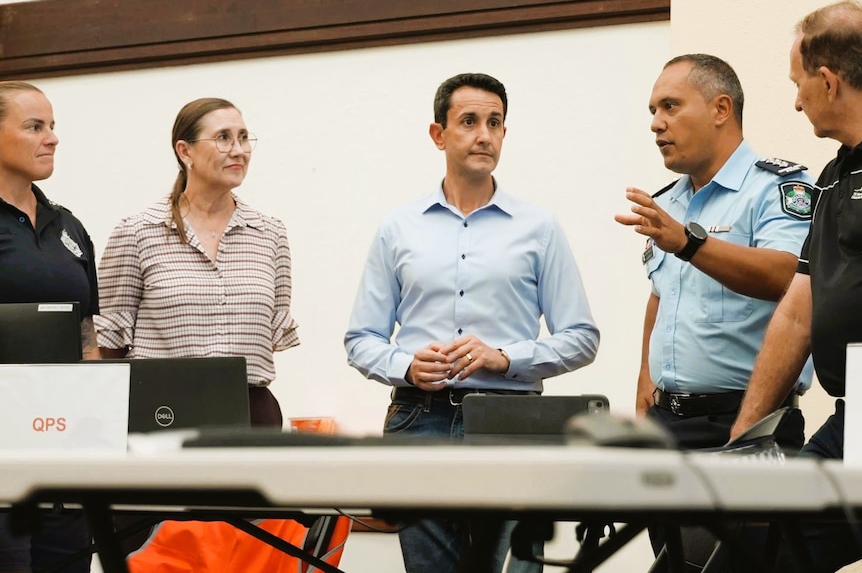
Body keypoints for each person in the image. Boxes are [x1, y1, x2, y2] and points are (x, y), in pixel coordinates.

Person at [344, 72, 600, 573]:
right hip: (420, 419)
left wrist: (506, 359)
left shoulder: (539, 228)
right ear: (438, 134)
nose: (485, 134)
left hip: (514, 423)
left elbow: (583, 337)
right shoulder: (399, 228)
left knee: (517, 568)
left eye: (495, 122)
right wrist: (405, 366)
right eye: (469, 122)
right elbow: (361, 339)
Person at [613, 55, 815, 572]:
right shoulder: (668, 202)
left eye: (671, 106)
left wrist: (688, 242)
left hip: (744, 428)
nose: (656, 123)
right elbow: (659, 304)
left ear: (721, 108)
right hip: (669, 430)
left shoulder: (776, 188)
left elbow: (788, 277)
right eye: (653, 110)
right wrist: (644, 418)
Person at [730, 1, 862, 571]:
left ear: (828, 81)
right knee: (775, 551)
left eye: (799, 83)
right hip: (853, 413)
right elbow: (797, 312)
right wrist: (744, 438)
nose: (795, 100)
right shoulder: (834, 176)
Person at [95, 97, 299, 429]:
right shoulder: (137, 232)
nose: (238, 150)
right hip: (164, 412)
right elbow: (108, 344)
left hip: (253, 413)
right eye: (223, 138)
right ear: (184, 151)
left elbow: (271, 336)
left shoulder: (270, 233)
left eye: (244, 137)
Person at [0, 82, 97, 572]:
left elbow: (87, 335)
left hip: (61, 449)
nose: (52, 137)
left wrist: (95, 427)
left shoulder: (69, 227)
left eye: (53, 126)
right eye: (34, 126)